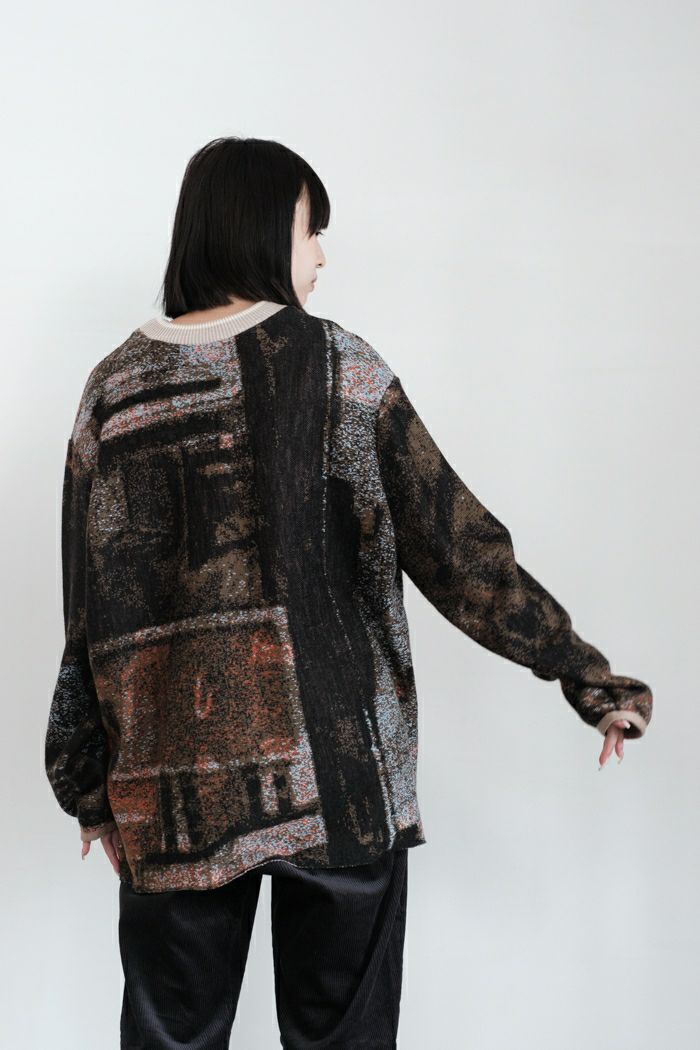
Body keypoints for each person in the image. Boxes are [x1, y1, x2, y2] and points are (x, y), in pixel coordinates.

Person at [44, 136, 653, 1049]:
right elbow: (460, 552)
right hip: (344, 788)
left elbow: (88, 608)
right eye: (310, 228)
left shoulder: (114, 390)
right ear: (258, 230)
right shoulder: (342, 370)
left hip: (168, 795)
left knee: (171, 1038)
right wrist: (587, 674)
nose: (322, 254)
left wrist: (88, 783)